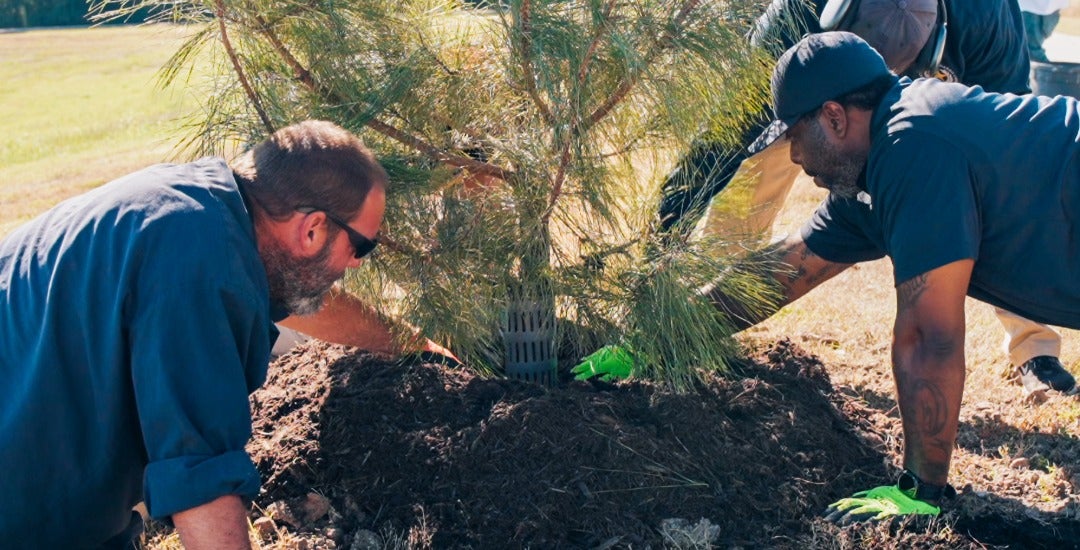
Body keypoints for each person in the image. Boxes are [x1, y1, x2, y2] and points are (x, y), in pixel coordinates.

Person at [0, 120, 450, 548]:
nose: (356, 263)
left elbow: (294, 293)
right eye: (362, 247)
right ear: (312, 228)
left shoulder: (204, 212)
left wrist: (414, 345)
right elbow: (199, 474)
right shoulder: (198, 269)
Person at [697, 31, 1078, 522]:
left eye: (795, 136)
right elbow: (785, 270)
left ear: (834, 118)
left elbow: (928, 337)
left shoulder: (913, 145)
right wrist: (658, 338)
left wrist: (919, 491)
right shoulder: (876, 163)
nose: (794, 156)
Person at [657, 0, 1073, 395]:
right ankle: (692, 322)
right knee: (759, 172)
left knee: (991, 182)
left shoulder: (985, 17)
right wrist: (668, 225)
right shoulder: (797, 14)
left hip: (922, 109)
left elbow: (1012, 146)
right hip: (806, 100)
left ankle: (1033, 348)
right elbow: (725, 132)